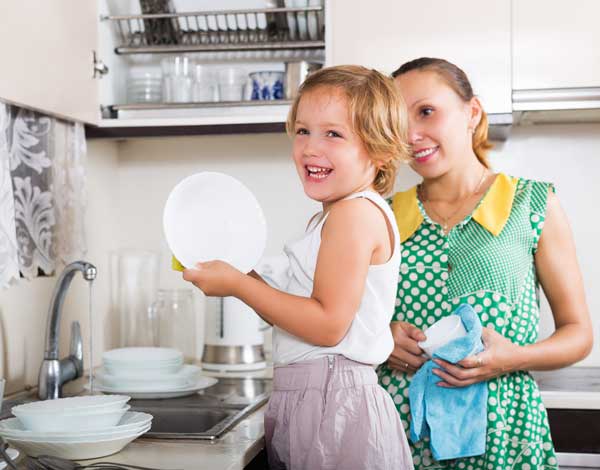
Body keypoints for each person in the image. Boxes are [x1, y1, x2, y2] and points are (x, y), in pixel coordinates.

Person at [183, 65, 414, 470]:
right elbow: (299, 313)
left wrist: (238, 284)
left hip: (334, 403)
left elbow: (327, 325)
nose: (310, 147)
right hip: (322, 398)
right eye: (303, 131)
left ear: (380, 152)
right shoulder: (336, 215)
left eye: (333, 134)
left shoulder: (352, 216)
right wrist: (242, 273)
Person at [377, 57, 593, 470]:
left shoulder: (533, 203)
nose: (410, 134)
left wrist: (514, 357)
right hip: (401, 432)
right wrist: (380, 339)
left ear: (472, 112)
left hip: (505, 434)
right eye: (396, 121)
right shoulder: (380, 216)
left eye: (426, 111)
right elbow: (342, 324)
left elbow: (578, 333)